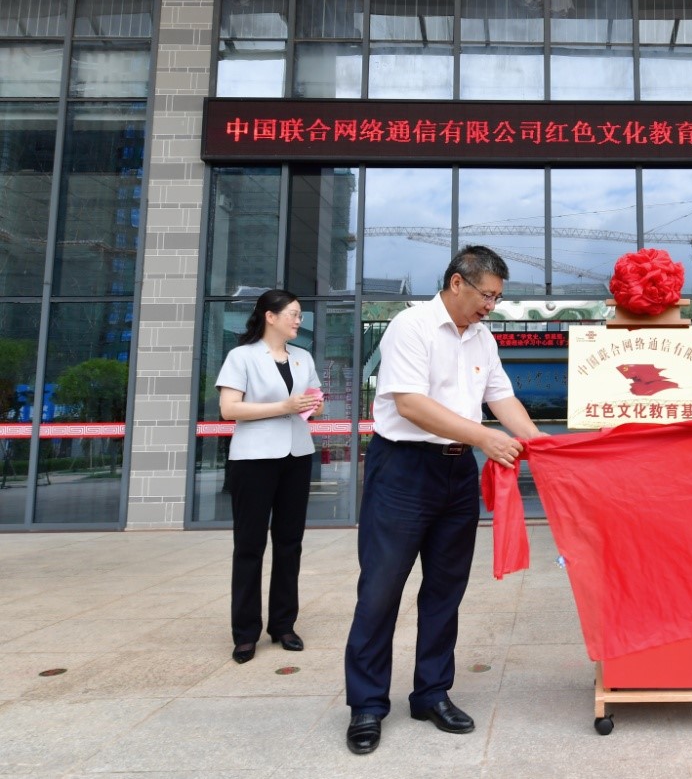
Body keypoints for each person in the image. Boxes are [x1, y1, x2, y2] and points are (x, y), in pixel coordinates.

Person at [344, 246, 543, 755]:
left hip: (456, 473)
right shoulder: (410, 326)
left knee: (445, 590)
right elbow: (411, 404)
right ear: (458, 283)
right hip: (403, 469)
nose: (490, 307)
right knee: (381, 590)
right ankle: (367, 704)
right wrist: (484, 437)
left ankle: (431, 693)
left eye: (496, 299)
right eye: (486, 296)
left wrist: (542, 447)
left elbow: (501, 398)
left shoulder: (482, 338)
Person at [215, 289, 323, 665]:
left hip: (297, 455)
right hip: (254, 459)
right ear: (270, 317)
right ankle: (245, 633)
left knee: (290, 543)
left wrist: (313, 405)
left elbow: (313, 400)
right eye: (293, 314)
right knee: (249, 546)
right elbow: (229, 409)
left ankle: (283, 625)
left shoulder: (303, 357)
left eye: (300, 314)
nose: (298, 320)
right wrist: (285, 406)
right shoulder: (242, 356)